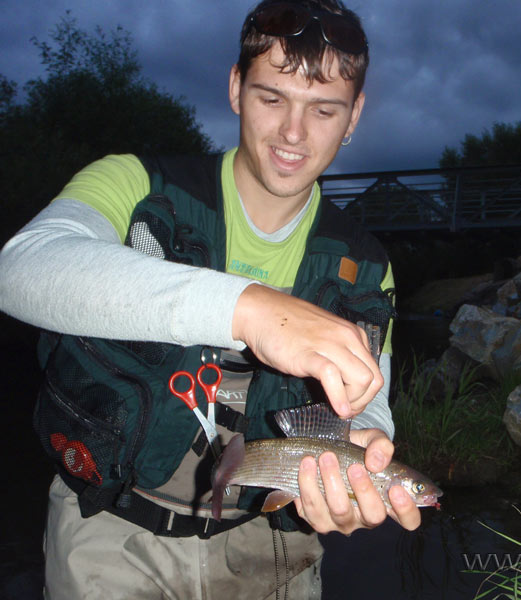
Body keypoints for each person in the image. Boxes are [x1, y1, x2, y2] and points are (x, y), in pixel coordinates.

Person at [0, 0, 421, 597]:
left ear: (354, 117)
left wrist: (365, 446)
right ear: (234, 87)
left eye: (324, 110)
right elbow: (20, 266)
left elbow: (369, 404)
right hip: (108, 535)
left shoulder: (369, 266)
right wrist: (250, 309)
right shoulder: (133, 182)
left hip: (270, 547)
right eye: (272, 98)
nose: (293, 133)